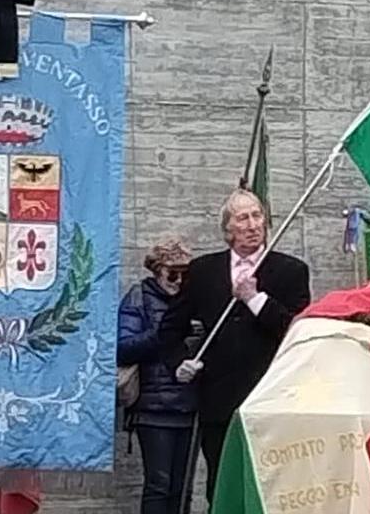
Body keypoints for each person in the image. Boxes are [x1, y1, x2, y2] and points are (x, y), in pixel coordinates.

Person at [160, 189, 311, 505]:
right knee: (222, 484)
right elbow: (170, 329)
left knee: (270, 486)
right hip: (219, 399)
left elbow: (297, 332)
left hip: (272, 396)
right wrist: (181, 363)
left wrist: (255, 299)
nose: (253, 224)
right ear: (228, 228)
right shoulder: (203, 271)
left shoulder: (291, 271)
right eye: (243, 218)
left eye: (258, 216)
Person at [119, 237, 197, 514]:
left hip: (191, 405)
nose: (179, 281)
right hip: (153, 409)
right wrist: (164, 334)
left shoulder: (194, 300)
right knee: (159, 484)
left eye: (186, 274)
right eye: (172, 273)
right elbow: (122, 348)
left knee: (183, 486)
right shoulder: (139, 297)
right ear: (157, 270)